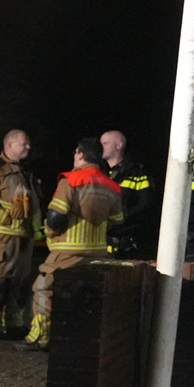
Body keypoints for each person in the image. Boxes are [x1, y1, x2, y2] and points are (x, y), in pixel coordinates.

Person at [22, 137, 124, 351]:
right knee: (86, 295)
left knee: (43, 287)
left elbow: (56, 217)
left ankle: (42, 336)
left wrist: (49, 233)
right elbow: (117, 222)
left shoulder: (70, 180)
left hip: (67, 251)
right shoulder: (112, 186)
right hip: (98, 253)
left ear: (80, 154)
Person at [0, 129, 39, 338]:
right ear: (10, 144)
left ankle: (14, 323)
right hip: (2, 236)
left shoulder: (25, 170)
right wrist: (6, 217)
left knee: (19, 281)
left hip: (24, 236)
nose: (28, 147)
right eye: (24, 143)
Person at [100, 129, 157, 259]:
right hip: (101, 240)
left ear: (119, 145)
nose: (101, 147)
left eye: (105, 143)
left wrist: (121, 218)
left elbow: (145, 204)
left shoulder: (136, 173)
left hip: (126, 241)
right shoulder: (99, 173)